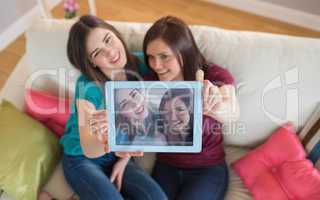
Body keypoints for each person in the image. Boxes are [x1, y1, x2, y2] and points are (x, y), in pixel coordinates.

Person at [59, 15, 167, 200]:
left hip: (120, 155)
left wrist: (124, 159)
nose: (110, 52)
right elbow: (89, 147)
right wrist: (111, 139)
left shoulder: (142, 65)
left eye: (108, 39)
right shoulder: (87, 87)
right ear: (92, 62)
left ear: (116, 34)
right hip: (81, 159)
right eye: (97, 53)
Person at [143, 16, 240, 200]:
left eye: (164, 56)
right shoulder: (150, 82)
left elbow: (233, 112)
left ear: (184, 51)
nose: (156, 65)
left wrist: (215, 106)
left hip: (207, 168)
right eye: (151, 57)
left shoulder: (213, 75)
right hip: (166, 166)